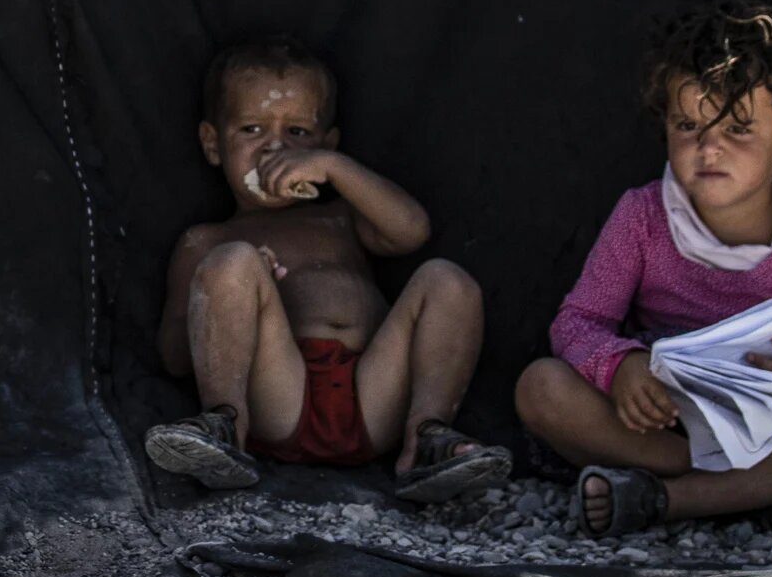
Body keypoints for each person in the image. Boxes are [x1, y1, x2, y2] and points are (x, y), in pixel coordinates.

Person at [515, 1, 772, 536]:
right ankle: (763, 490)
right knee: (540, 387)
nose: (709, 146)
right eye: (688, 124)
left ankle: (667, 500)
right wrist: (620, 368)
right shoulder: (643, 216)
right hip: (664, 429)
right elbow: (577, 324)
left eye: (739, 128)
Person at [145, 39, 510, 501]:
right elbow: (175, 357)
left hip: (372, 396)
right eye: (252, 129)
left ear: (327, 145)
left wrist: (335, 170)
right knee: (233, 261)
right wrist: (238, 294)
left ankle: (426, 441)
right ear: (213, 144)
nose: (275, 147)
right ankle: (224, 428)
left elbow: (413, 230)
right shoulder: (208, 240)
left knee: (447, 279)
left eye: (298, 134)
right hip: (278, 398)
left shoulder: (340, 218)